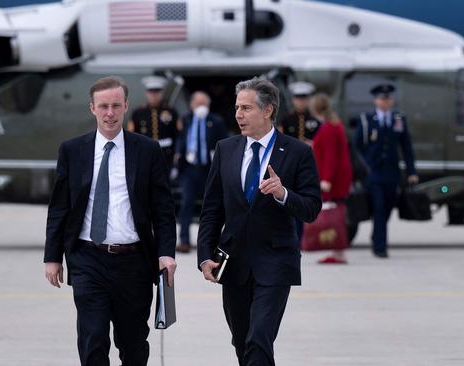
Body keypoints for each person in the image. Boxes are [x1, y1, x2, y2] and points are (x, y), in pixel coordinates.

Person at [44, 76, 177, 366]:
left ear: (126, 106)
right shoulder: (72, 150)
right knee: (93, 340)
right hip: (88, 258)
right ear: (92, 108)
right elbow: (59, 208)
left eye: (116, 105)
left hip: (134, 263)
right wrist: (52, 257)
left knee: (133, 345)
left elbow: (163, 209)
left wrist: (166, 253)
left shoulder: (147, 150)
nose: (110, 113)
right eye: (103, 106)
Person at [198, 77, 322, 365]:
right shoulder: (226, 149)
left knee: (259, 338)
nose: (238, 115)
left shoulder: (297, 152)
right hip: (234, 263)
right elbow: (212, 209)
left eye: (246, 108)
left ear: (268, 111)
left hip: (276, 262)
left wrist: (283, 194)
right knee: (242, 341)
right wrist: (205, 255)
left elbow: (312, 208)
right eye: (237, 107)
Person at [355, 83, 418, 258]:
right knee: (379, 206)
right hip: (372, 172)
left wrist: (412, 171)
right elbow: (357, 147)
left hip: (392, 173)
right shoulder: (366, 120)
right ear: (376, 101)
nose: (385, 101)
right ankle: (380, 247)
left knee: (389, 205)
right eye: (382, 98)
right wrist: (358, 172)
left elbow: (407, 147)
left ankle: (377, 234)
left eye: (388, 98)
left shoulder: (398, 119)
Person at [175, 91, 228, 253]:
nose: (201, 107)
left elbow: (224, 142)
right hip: (190, 169)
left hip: (209, 169)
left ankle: (211, 242)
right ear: (192, 105)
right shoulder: (185, 119)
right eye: (198, 103)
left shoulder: (216, 121)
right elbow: (180, 139)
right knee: (186, 204)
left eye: (204, 103)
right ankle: (184, 240)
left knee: (212, 206)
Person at [309, 93, 353, 264]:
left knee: (335, 214)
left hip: (333, 179)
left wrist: (326, 179)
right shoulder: (334, 124)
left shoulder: (327, 128)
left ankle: (338, 251)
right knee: (338, 213)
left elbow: (330, 156)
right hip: (340, 176)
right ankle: (337, 250)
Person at [278, 81, 321, 241]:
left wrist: (313, 144)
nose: (301, 102)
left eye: (304, 98)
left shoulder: (315, 120)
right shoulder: (287, 119)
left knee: (305, 198)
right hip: (290, 162)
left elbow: (322, 141)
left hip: (308, 162)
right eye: (297, 98)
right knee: (290, 198)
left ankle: (304, 237)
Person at [127, 75, 182, 174]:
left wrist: (177, 153)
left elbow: (178, 134)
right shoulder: (138, 112)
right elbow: (132, 135)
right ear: (146, 93)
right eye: (151, 92)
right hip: (145, 154)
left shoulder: (171, 111)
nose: (154, 95)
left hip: (166, 154)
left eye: (157, 92)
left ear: (162, 93)